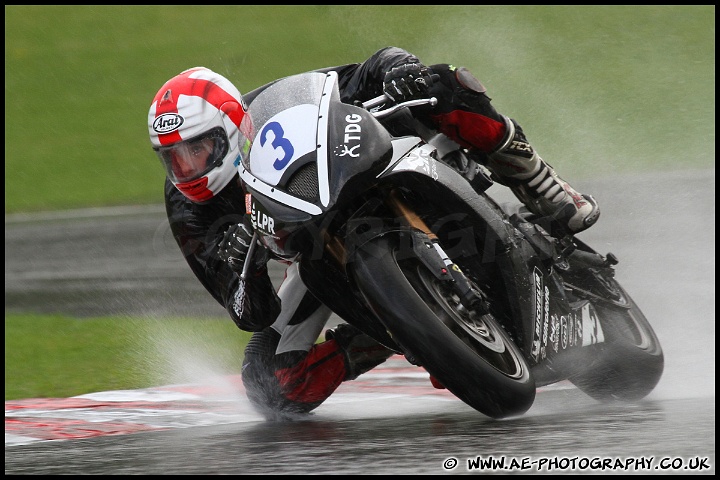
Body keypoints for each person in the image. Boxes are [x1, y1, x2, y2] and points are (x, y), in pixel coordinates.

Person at [147, 46, 599, 419]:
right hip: (318, 249)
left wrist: (401, 72)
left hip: (380, 163)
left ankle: (541, 184)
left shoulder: (275, 105)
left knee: (445, 83)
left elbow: (374, 65)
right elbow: (246, 311)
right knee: (271, 386)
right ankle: (393, 333)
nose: (187, 168)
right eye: (173, 158)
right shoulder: (189, 210)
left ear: (231, 127)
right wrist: (244, 268)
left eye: (198, 149)